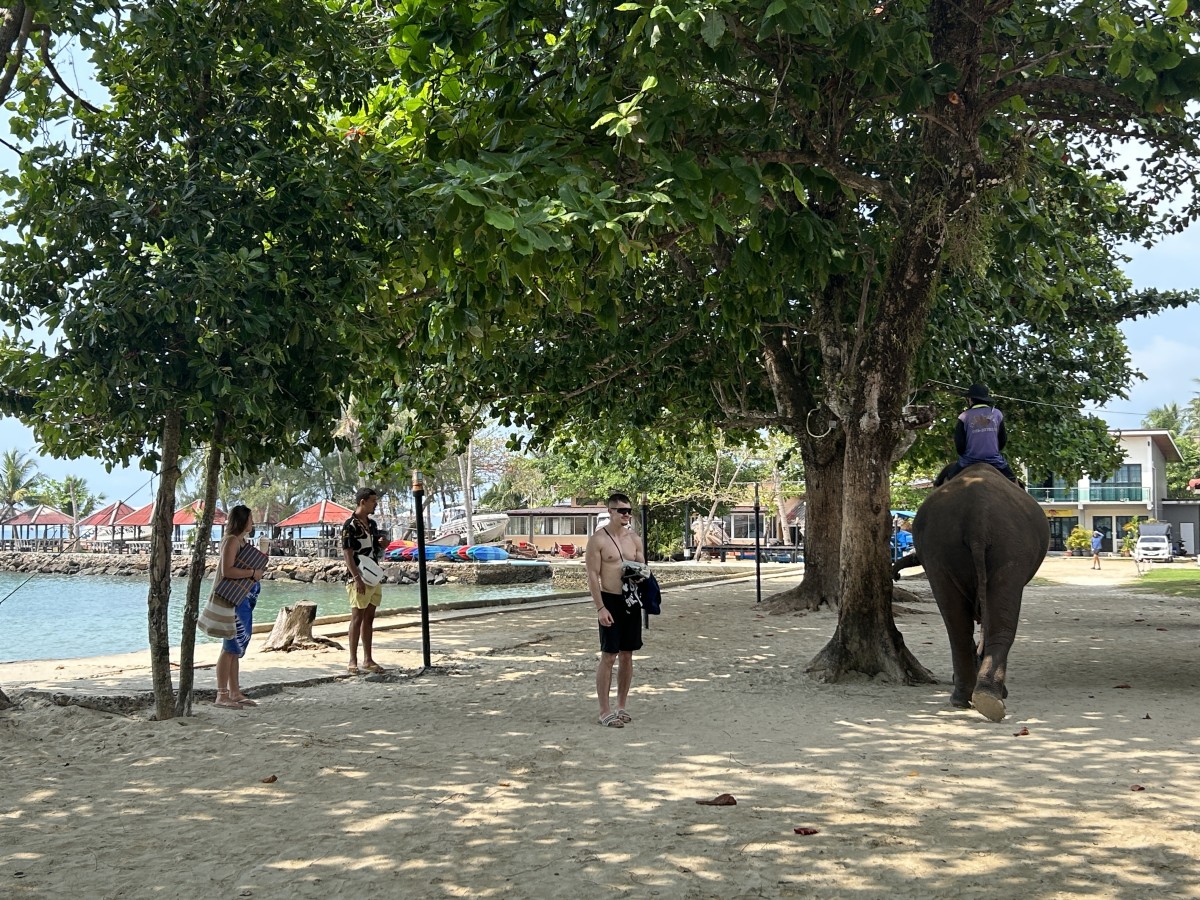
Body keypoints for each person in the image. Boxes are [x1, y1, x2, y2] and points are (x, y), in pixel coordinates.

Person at [586, 492, 646, 728]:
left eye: (629, 511)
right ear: (610, 511)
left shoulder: (634, 539)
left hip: (631, 600)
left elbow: (643, 568)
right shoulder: (598, 539)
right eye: (622, 511)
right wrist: (600, 607)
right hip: (609, 600)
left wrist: (640, 574)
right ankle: (604, 710)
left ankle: (621, 706)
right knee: (609, 656)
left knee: (627, 655)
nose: (626, 515)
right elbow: (592, 575)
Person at [214, 504, 266, 709]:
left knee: (236, 648)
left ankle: (234, 691)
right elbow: (227, 570)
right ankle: (221, 693)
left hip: (243, 599)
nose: (252, 523)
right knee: (229, 647)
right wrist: (252, 573)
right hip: (233, 601)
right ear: (243, 520)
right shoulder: (232, 541)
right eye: (250, 519)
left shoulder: (241, 541)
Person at [935, 383, 1019, 485]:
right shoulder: (997, 413)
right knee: (1013, 480)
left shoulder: (964, 416)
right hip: (994, 460)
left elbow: (960, 446)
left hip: (969, 460)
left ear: (970, 399)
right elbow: (1002, 440)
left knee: (946, 481)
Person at [343, 487, 387, 675]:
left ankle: (368, 659)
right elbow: (347, 554)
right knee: (357, 617)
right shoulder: (349, 525)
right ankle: (352, 660)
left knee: (369, 617)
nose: (375, 504)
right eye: (373, 501)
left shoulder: (372, 524)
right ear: (363, 501)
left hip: (373, 574)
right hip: (358, 576)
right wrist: (356, 578)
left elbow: (377, 546)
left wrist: (383, 543)